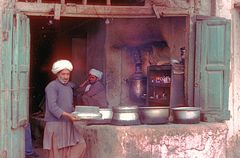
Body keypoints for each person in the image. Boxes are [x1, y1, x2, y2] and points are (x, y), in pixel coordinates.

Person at [43, 59, 86, 158]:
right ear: (57, 74)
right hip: (55, 125)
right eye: (63, 74)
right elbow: (52, 107)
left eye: (68, 74)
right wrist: (68, 115)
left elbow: (68, 104)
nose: (66, 77)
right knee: (57, 153)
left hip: (67, 123)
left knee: (81, 145)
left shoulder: (69, 87)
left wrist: (75, 113)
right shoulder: (52, 86)